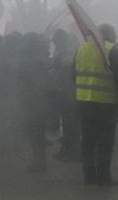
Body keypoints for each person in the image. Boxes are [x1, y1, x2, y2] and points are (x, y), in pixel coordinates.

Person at [74, 23, 118, 187]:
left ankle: (88, 175)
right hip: (107, 103)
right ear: (111, 35)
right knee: (105, 141)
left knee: (87, 140)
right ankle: (104, 177)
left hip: (85, 101)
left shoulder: (81, 48)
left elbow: (73, 74)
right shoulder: (113, 50)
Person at [17, 32, 51, 172]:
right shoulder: (40, 58)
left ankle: (39, 162)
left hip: (34, 101)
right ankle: (38, 161)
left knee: (35, 133)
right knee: (36, 133)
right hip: (37, 101)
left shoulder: (34, 61)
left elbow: (33, 80)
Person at [51, 29, 80, 162]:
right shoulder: (61, 51)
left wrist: (56, 64)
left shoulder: (67, 52)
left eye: (56, 40)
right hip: (62, 91)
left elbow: (67, 68)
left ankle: (73, 152)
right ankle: (66, 149)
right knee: (66, 122)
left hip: (69, 92)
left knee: (71, 123)